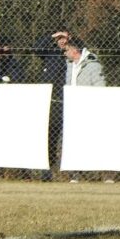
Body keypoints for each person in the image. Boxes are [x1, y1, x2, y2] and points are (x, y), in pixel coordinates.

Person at [64, 36, 107, 183]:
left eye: (67, 50)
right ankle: (75, 173)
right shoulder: (70, 65)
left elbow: (100, 86)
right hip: (73, 108)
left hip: (90, 108)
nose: (64, 53)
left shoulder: (93, 65)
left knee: (96, 140)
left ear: (74, 50)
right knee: (74, 140)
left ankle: (105, 174)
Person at [33, 29, 71, 177]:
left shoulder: (74, 53)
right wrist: (51, 35)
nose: (62, 41)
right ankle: (47, 170)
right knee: (50, 135)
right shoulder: (51, 53)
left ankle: (69, 172)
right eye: (60, 38)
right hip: (51, 101)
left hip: (65, 99)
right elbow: (36, 49)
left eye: (65, 38)